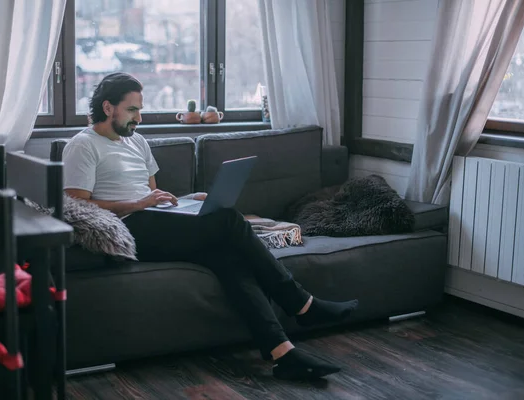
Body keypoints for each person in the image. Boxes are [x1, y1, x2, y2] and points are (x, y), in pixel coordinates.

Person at [62, 72, 359, 380]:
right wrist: (137, 205)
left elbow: (154, 195)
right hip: (127, 229)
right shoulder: (83, 146)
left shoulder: (137, 142)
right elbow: (77, 206)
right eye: (132, 110)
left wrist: (187, 200)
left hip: (155, 219)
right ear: (109, 108)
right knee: (229, 219)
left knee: (228, 259)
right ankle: (299, 302)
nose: (139, 117)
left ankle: (283, 353)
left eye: (140, 109)